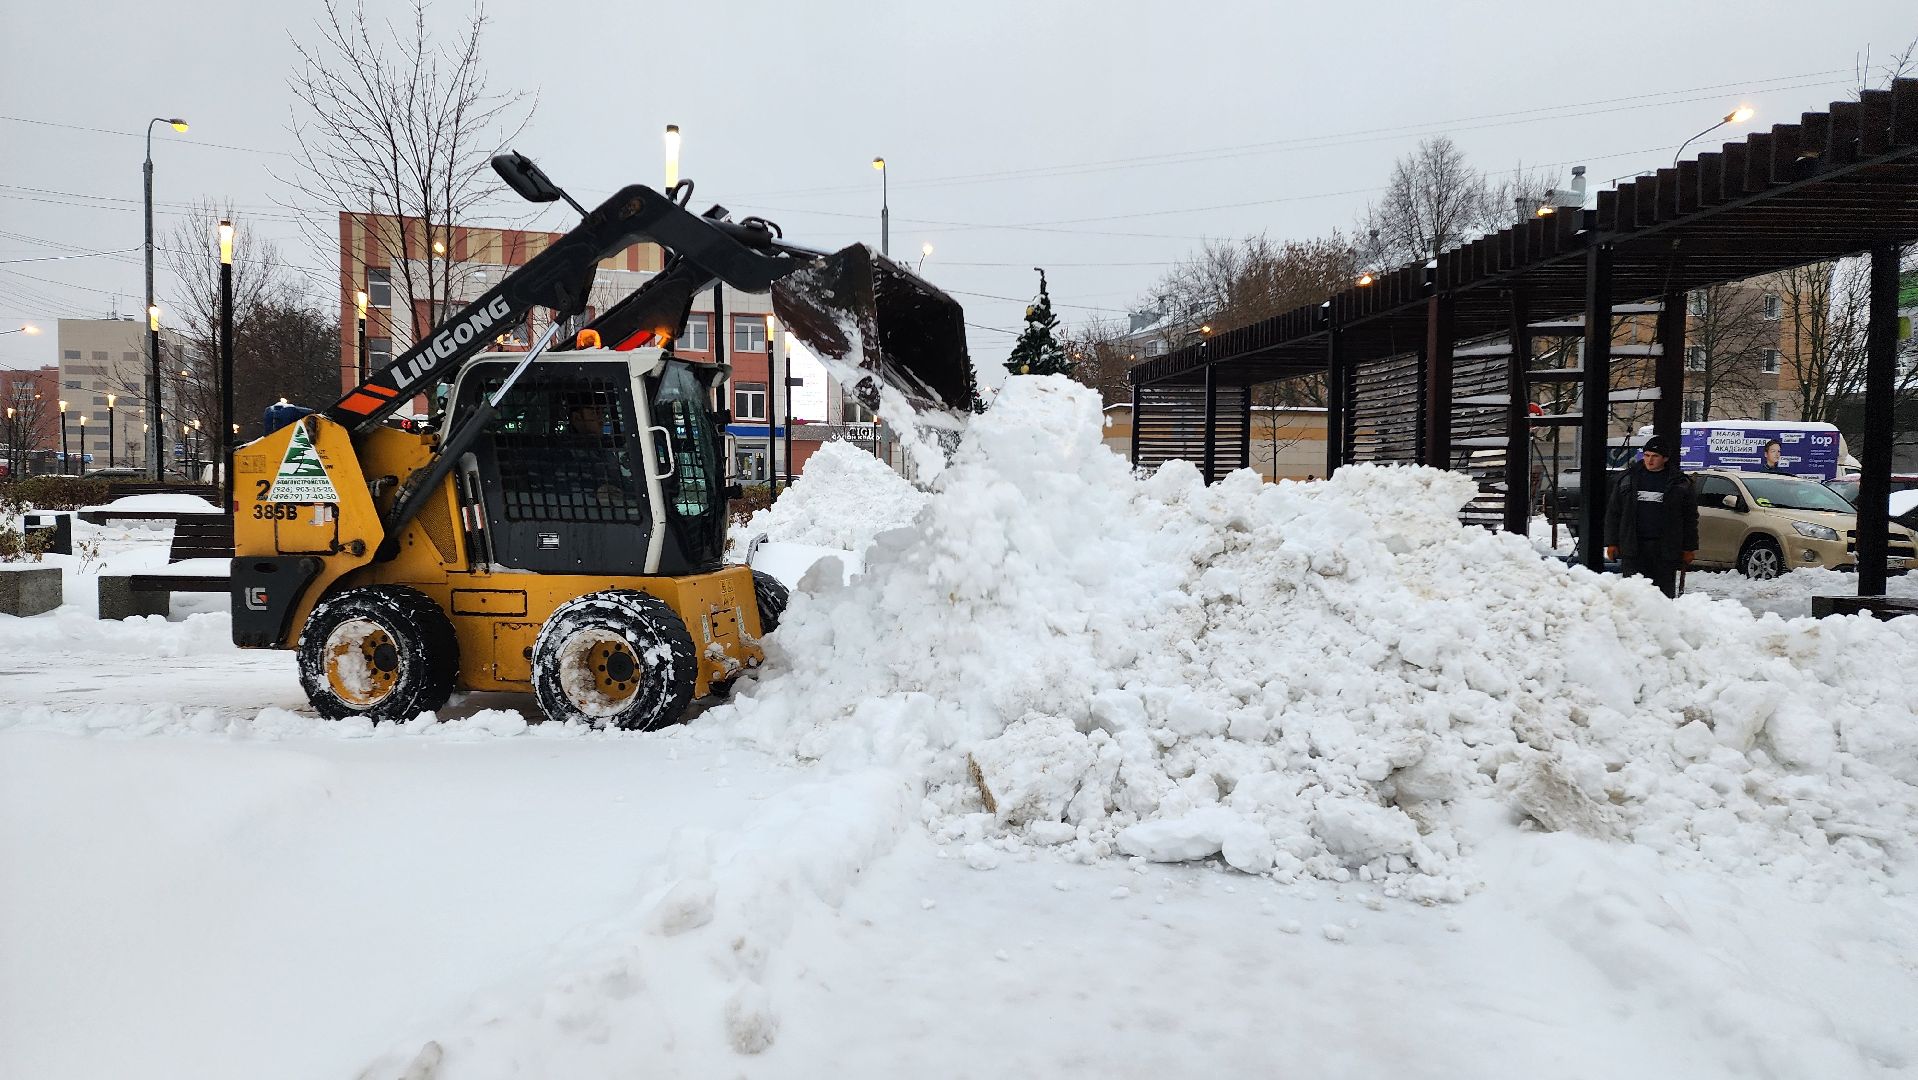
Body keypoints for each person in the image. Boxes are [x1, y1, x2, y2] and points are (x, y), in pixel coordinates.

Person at [1604, 435, 1698, 598]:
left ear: (1665, 458)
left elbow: (1689, 518)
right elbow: (1614, 513)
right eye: (1646, 455)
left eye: (1655, 456)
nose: (1650, 460)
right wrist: (1611, 542)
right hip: (1633, 548)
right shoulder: (1627, 479)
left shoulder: (1680, 484)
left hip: (1664, 550)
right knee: (1633, 595)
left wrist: (1689, 548)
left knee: (1662, 596)